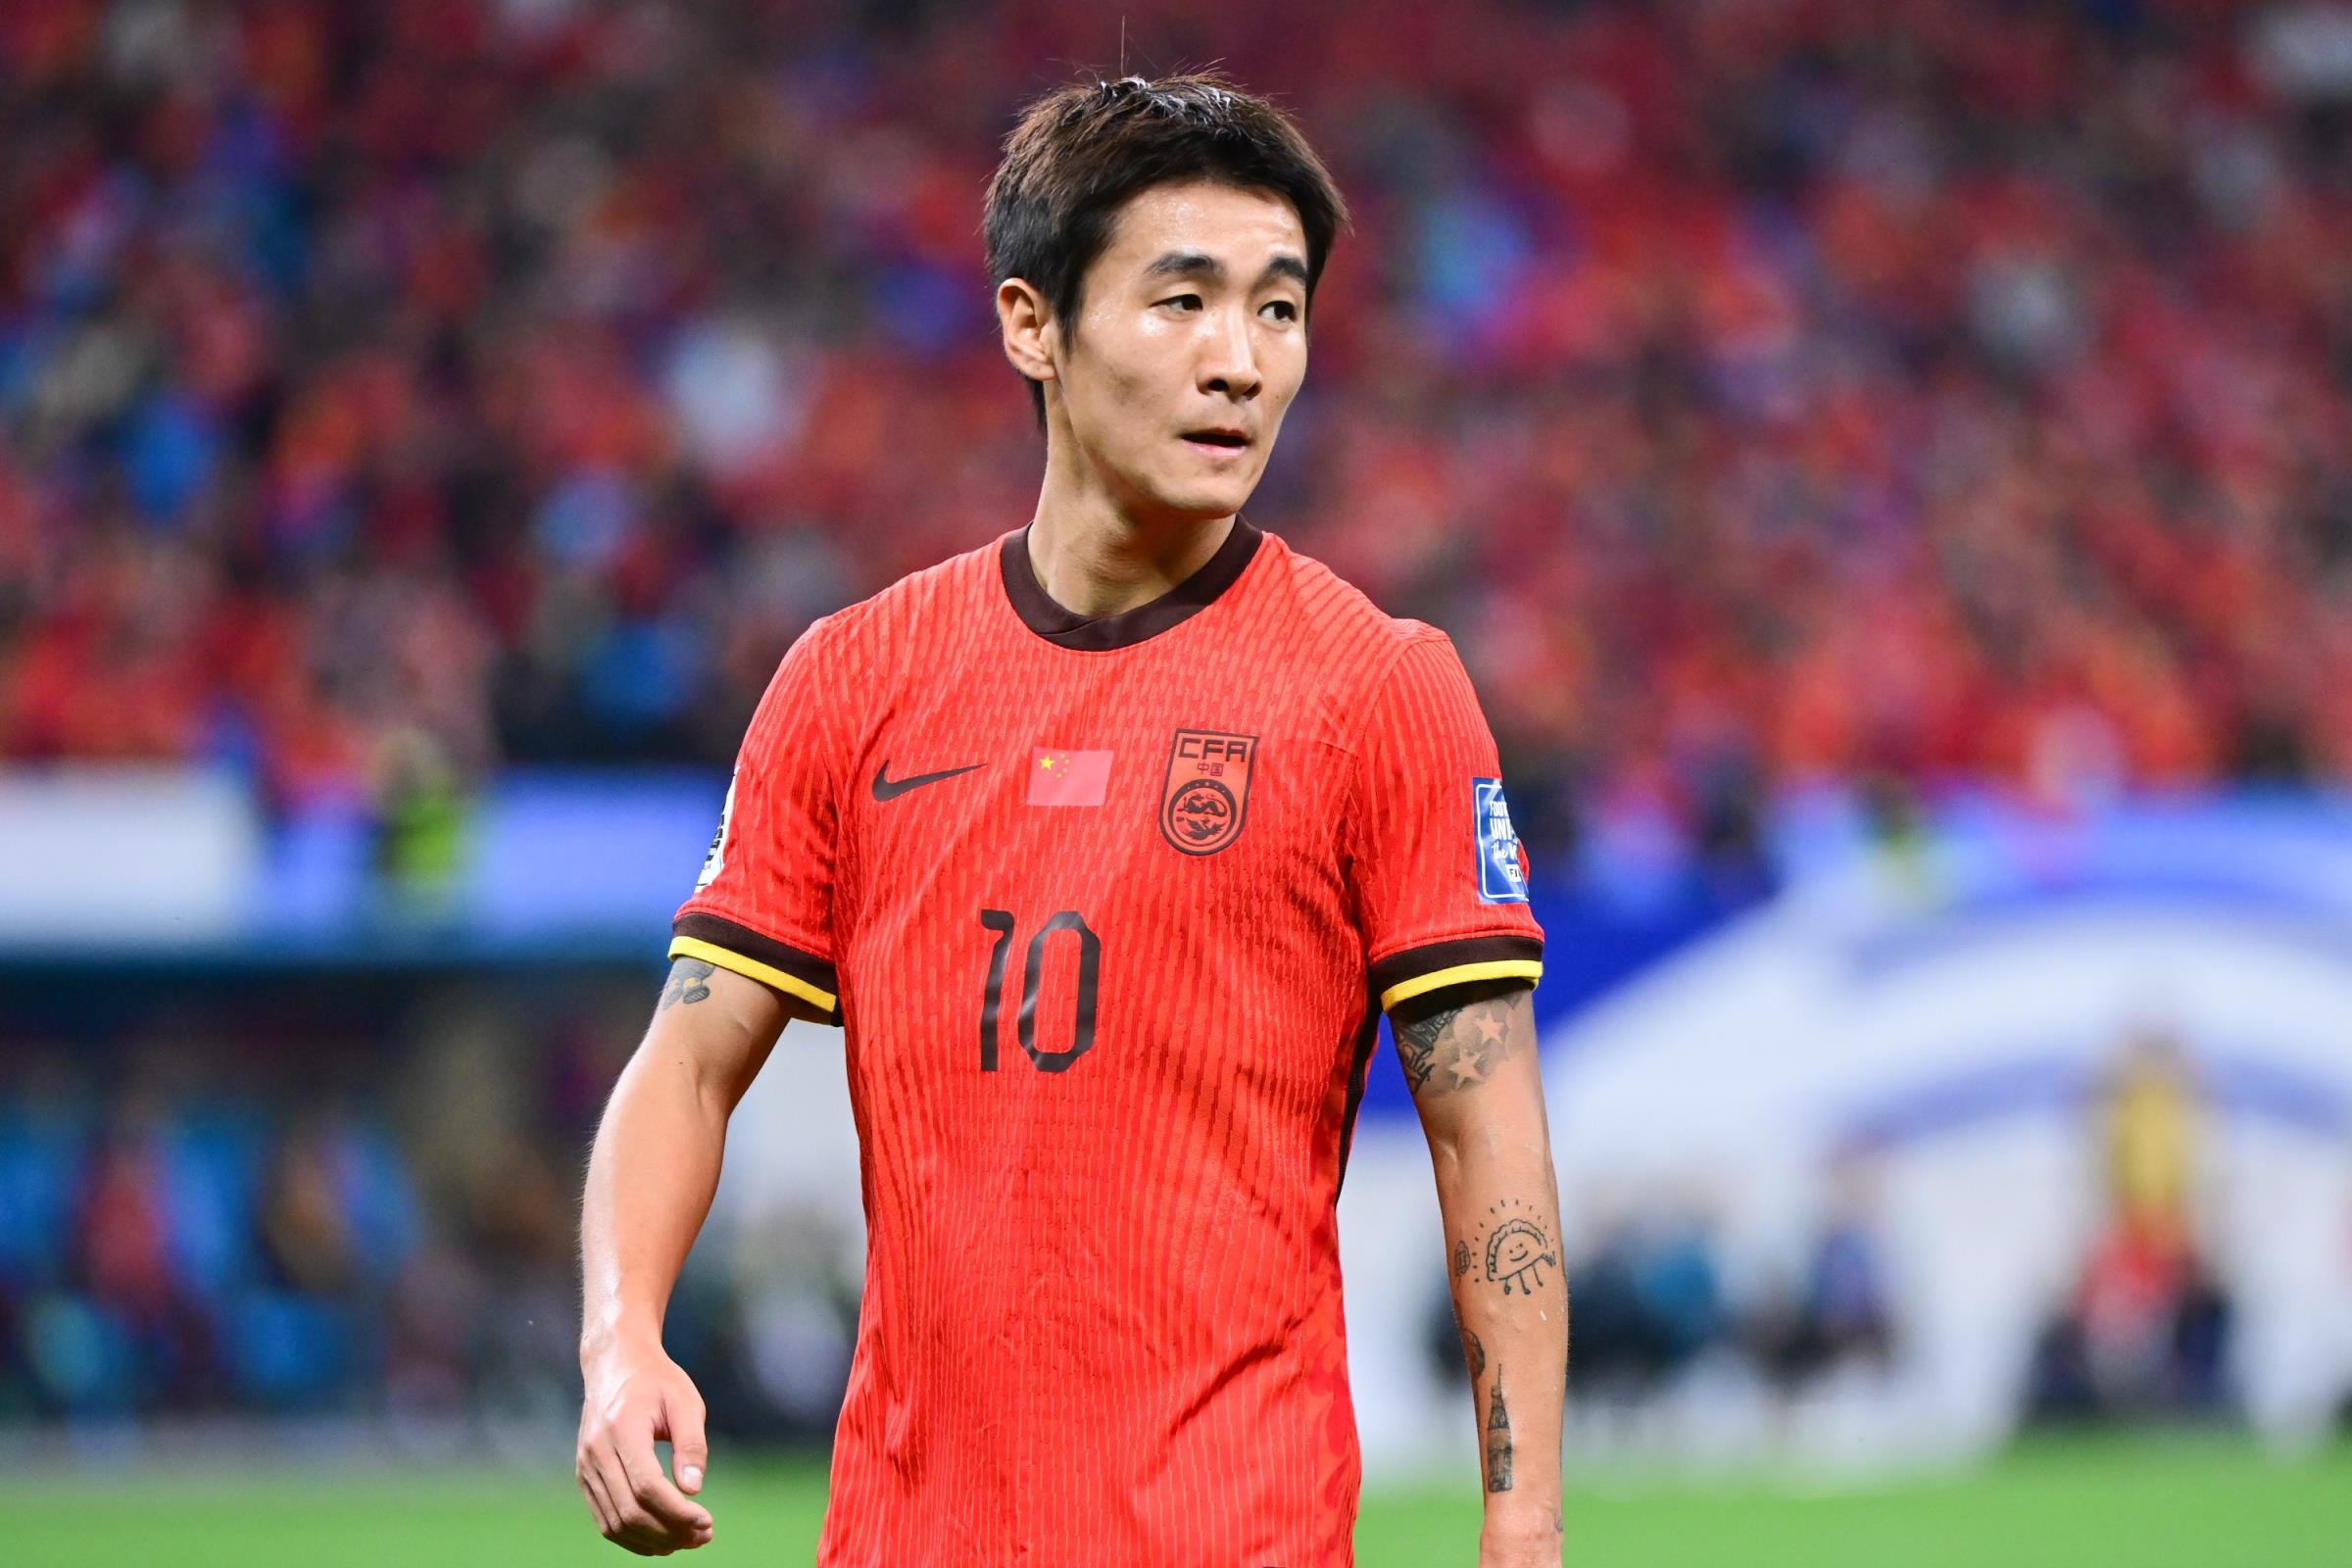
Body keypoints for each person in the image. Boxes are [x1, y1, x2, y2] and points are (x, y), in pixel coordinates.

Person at [575, 72, 1567, 1566]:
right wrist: (620, 1339)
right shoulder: (853, 684)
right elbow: (689, 1063)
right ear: (1031, 324)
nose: (1241, 361)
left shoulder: (1379, 691)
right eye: (1183, 301)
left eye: (1280, 308)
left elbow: (1486, 1134)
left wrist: (1523, 1523)